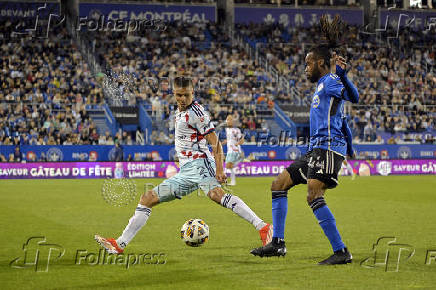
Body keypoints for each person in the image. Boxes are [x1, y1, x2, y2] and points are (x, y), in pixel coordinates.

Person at [95, 76, 272, 254]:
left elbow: (215, 141)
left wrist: (219, 169)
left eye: (186, 95)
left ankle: (262, 227)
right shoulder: (179, 112)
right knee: (147, 199)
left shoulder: (197, 113)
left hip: (201, 164)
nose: (182, 99)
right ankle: (119, 245)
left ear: (192, 92)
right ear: (174, 94)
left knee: (216, 195)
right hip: (187, 171)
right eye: (179, 95)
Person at [251, 16, 359, 265]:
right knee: (278, 185)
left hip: (328, 148)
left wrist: (343, 76)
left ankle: (341, 251)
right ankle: (277, 244)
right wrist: (351, 148)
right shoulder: (322, 85)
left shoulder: (331, 82)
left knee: (313, 194)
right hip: (316, 150)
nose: (305, 68)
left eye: (309, 63)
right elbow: (342, 121)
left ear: (321, 63)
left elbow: (353, 96)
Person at [223, 115, 244, 186]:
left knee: (228, 165)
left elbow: (242, 139)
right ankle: (232, 181)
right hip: (230, 150)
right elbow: (229, 139)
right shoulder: (227, 130)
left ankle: (230, 181)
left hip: (234, 150)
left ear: (233, 121)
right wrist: (221, 143)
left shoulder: (236, 130)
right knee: (228, 166)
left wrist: (238, 143)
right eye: (228, 119)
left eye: (230, 120)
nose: (229, 121)